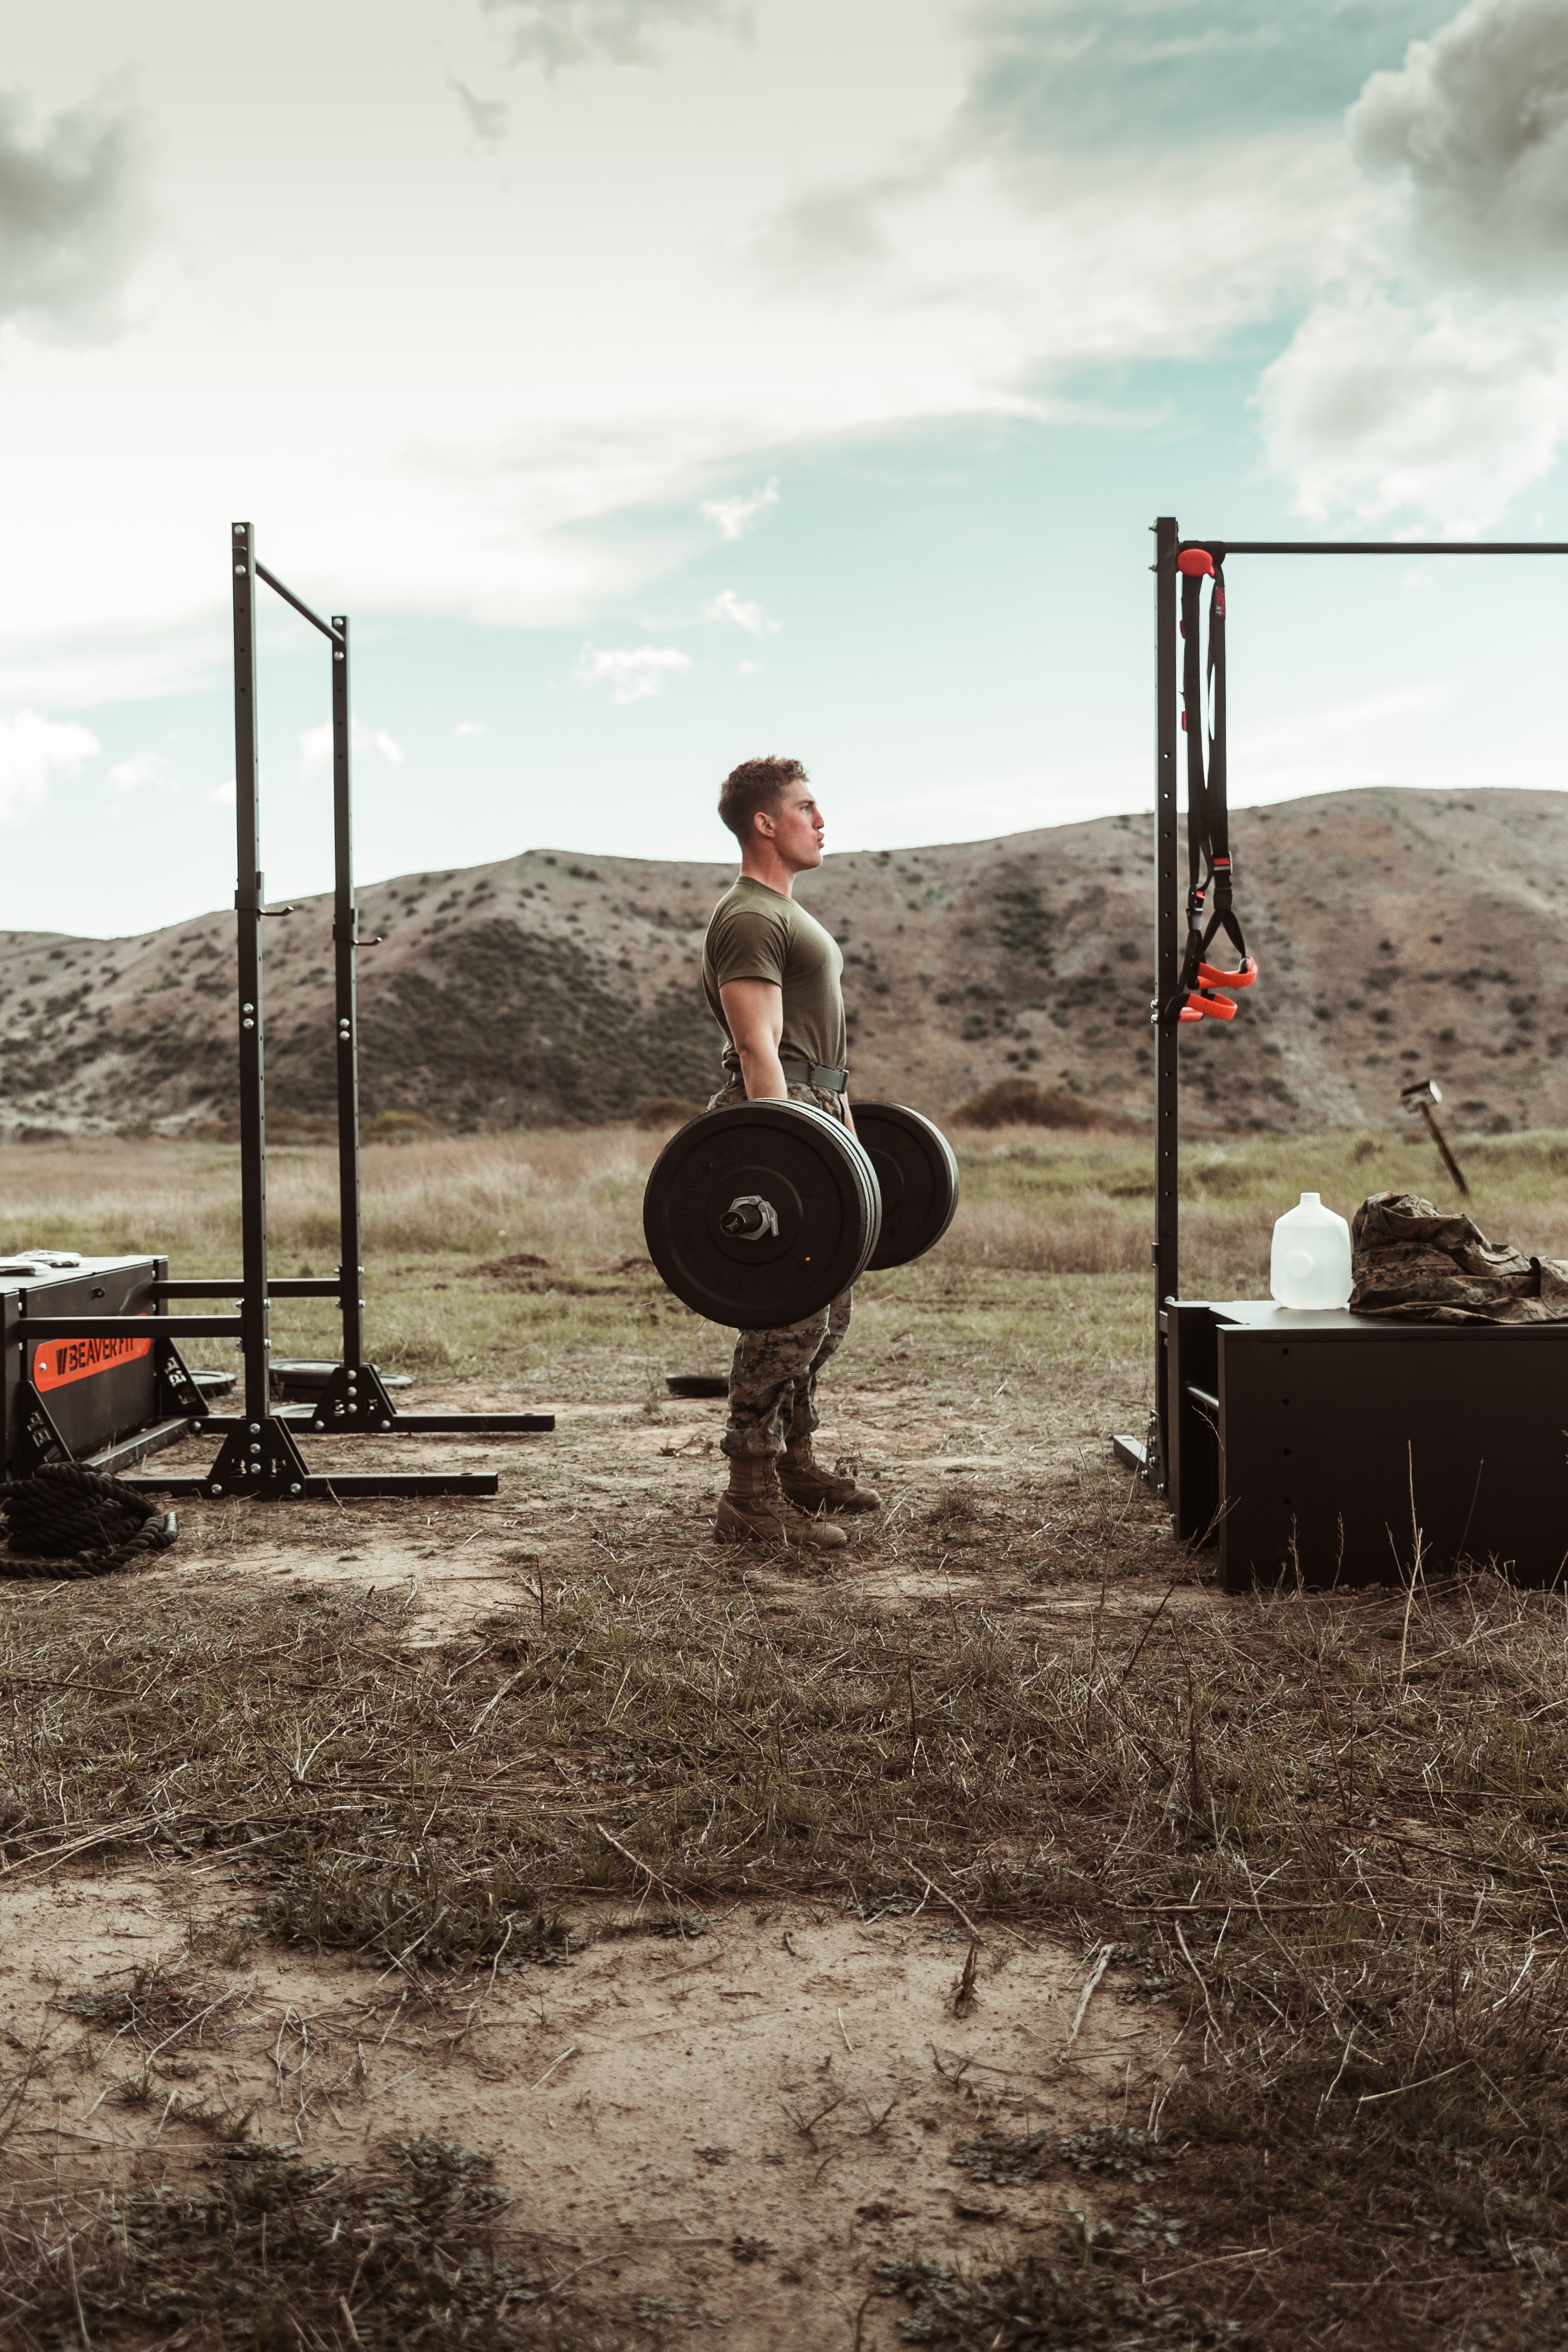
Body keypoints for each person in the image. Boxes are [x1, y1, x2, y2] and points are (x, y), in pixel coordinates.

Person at [700, 754, 883, 1552]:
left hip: (817, 1107)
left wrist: (834, 1117)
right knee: (788, 1312)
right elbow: (755, 1042)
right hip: (782, 1110)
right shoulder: (749, 915)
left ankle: (793, 1464)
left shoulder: (781, 911)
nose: (821, 820)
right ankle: (747, 1489)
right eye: (806, 806)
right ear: (764, 823)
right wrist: (787, 1137)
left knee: (827, 1311)